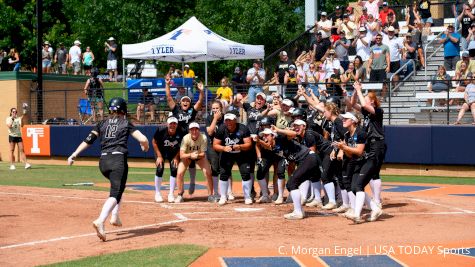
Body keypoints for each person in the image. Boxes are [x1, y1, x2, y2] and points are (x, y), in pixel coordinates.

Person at [67, 97, 150, 241]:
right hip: (118, 160)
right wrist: (145, 146)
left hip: (103, 162)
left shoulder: (102, 123)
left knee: (119, 186)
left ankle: (115, 216)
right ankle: (100, 220)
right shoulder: (126, 123)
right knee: (115, 192)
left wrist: (74, 154)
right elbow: (143, 139)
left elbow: (88, 141)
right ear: (123, 110)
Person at [333, 112, 382, 224]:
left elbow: (359, 152)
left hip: (369, 161)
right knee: (355, 188)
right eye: (343, 118)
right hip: (359, 163)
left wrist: (344, 147)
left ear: (353, 121)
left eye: (346, 119)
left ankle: (356, 214)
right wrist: (343, 149)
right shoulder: (346, 135)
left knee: (358, 186)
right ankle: (375, 209)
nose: (343, 120)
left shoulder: (360, 133)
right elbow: (351, 155)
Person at [265, 124, 322, 220]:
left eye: (267, 135)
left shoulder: (281, 138)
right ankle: (300, 210)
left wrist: (278, 130)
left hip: (309, 158)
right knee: (294, 183)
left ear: (273, 136)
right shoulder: (275, 147)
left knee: (291, 184)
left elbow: (294, 133)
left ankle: (298, 212)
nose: (264, 137)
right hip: (309, 159)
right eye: (264, 135)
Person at [165, 75, 204, 195]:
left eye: (187, 100)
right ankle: (178, 189)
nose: (185, 102)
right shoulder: (176, 109)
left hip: (190, 139)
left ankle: (192, 181)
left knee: (192, 160)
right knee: (177, 162)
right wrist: (167, 84)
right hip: (178, 139)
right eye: (183, 101)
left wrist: (201, 91)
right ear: (180, 102)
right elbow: (168, 97)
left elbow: (200, 101)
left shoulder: (192, 110)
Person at [351, 81, 386, 211]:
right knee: (370, 172)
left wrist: (359, 89)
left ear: (372, 101)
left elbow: (364, 104)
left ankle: (377, 200)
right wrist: (355, 91)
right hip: (368, 144)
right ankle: (374, 200)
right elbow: (352, 103)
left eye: (366, 99)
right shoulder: (366, 113)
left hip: (377, 143)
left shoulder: (378, 111)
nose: (363, 101)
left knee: (375, 172)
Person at [213, 112, 253, 205]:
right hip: (227, 153)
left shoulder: (243, 128)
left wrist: (240, 146)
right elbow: (215, 145)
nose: (228, 122)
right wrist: (223, 148)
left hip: (241, 153)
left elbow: (249, 144)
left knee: (245, 174)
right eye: (226, 120)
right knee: (223, 174)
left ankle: (247, 197)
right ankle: (223, 197)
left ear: (235, 120)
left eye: (230, 120)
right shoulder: (221, 129)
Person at [175, 122, 215, 203]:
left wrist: (196, 156)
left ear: (199, 130)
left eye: (196, 129)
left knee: (208, 172)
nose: (194, 131)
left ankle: (210, 195)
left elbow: (203, 154)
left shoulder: (203, 137)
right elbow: (182, 155)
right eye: (192, 129)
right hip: (188, 156)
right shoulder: (185, 138)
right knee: (179, 173)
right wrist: (190, 155)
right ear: (189, 131)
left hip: (199, 157)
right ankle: (180, 194)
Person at [151, 116, 184, 203]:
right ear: (167, 124)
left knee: (174, 168)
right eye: (171, 124)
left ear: (177, 125)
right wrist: (159, 156)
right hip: (160, 151)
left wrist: (177, 157)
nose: (172, 126)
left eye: (174, 124)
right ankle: (157, 193)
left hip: (173, 152)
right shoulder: (160, 130)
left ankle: (171, 194)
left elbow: (183, 146)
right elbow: (154, 142)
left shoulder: (181, 131)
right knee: (160, 168)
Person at [206, 101, 225, 199]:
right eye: (213, 108)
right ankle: (216, 193)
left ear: (221, 108)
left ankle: (227, 192)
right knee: (214, 168)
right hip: (212, 146)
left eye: (217, 108)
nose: (215, 110)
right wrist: (215, 119)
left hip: (224, 146)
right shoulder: (209, 118)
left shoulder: (226, 117)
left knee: (225, 168)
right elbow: (210, 132)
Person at [6, 105, 31, 170]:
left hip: (18, 136)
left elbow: (22, 125)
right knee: (12, 150)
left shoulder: (18, 118)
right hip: (12, 136)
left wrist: (22, 119)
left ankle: (26, 164)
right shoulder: (8, 119)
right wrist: (13, 119)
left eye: (16, 112)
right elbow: (9, 126)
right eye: (13, 112)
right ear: (11, 112)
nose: (15, 113)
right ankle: (12, 165)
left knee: (22, 149)